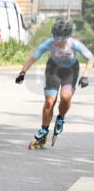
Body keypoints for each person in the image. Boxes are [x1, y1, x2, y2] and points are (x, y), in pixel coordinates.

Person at [16, 18, 92, 148]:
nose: (56, 40)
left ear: (67, 37)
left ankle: (60, 118)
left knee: (66, 97)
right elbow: (33, 58)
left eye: (60, 37)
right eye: (55, 36)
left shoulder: (74, 44)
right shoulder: (48, 43)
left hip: (70, 71)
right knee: (50, 101)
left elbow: (90, 58)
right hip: (53, 70)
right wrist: (22, 72)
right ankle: (44, 130)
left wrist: (85, 75)